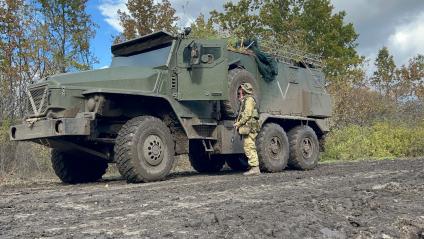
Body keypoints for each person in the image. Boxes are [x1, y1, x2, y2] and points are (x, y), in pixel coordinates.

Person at [233, 83, 261, 176]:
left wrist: (239, 123)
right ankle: (253, 166)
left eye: (241, 90)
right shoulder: (247, 100)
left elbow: (247, 114)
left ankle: (255, 168)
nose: (240, 91)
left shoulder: (249, 100)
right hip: (250, 127)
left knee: (249, 146)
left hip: (250, 127)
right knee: (249, 146)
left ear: (245, 90)